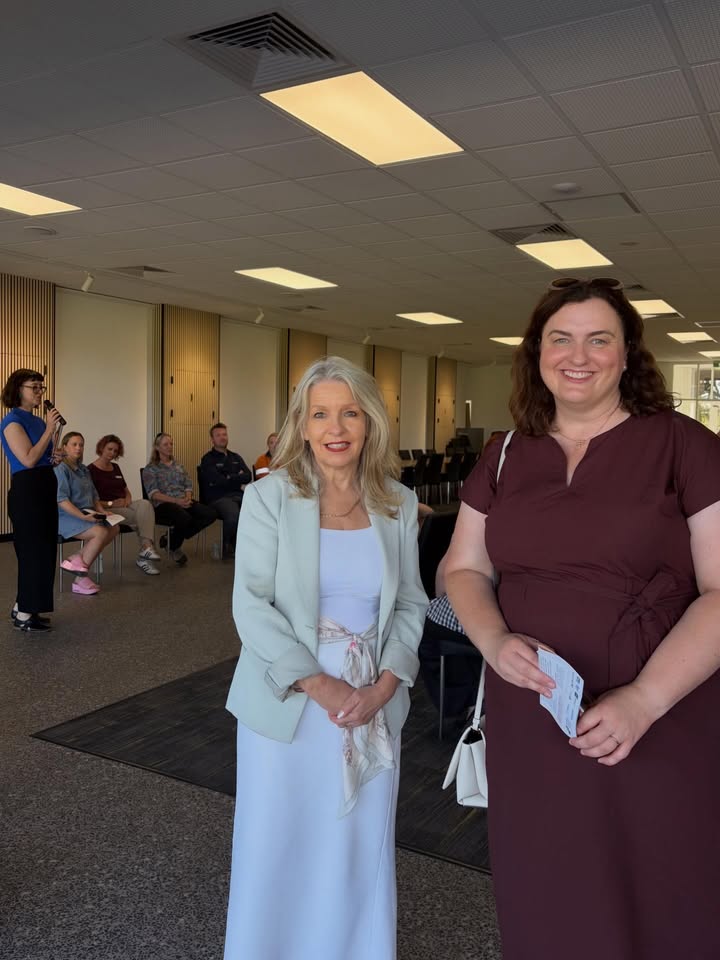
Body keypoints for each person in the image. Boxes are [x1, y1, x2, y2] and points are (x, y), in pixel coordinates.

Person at [444, 276, 720, 960]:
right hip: (531, 715)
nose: (578, 355)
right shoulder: (505, 453)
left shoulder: (684, 445)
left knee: (660, 889)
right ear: (536, 352)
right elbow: (464, 569)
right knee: (547, 886)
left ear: (628, 354)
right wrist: (494, 639)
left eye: (600, 339)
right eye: (560, 339)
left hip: (658, 715)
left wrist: (644, 700)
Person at [223, 356, 427, 960]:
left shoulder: (398, 503)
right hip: (291, 704)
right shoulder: (268, 497)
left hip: (372, 702)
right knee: (278, 843)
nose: (335, 428)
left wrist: (385, 685)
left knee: (356, 844)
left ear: (370, 423)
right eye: (320, 414)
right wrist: (321, 684)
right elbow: (251, 606)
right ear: (302, 425)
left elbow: (411, 603)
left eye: (350, 413)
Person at [1, 369, 63, 632]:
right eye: (34, 387)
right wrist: (50, 429)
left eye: (41, 387)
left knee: (45, 550)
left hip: (45, 485)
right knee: (32, 552)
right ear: (19, 389)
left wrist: (54, 457)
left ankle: (24, 606)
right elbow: (27, 459)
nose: (40, 392)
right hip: (27, 491)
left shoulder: (37, 421)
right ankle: (25, 615)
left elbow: (41, 457)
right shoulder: (12, 421)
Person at [55, 432, 118, 596]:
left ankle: (75, 558)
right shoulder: (61, 469)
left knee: (114, 527)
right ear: (65, 447)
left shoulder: (83, 469)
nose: (78, 448)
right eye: (74, 444)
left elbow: (94, 496)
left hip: (86, 512)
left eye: (81, 445)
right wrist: (82, 516)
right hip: (66, 516)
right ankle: (80, 580)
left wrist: (103, 512)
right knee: (100, 532)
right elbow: (62, 500)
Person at [89, 434, 161, 575]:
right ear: (102, 448)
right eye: (109, 449)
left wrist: (128, 498)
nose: (112, 453)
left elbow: (126, 490)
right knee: (141, 517)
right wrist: (111, 503)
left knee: (145, 504)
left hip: (124, 505)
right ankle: (145, 553)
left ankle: (146, 549)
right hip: (107, 509)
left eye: (115, 451)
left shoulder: (115, 467)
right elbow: (92, 501)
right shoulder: (90, 470)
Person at [142, 433, 217, 565]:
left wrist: (187, 498)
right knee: (184, 518)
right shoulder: (151, 469)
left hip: (182, 501)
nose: (170, 447)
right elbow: (154, 494)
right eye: (166, 444)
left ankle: (172, 537)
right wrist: (177, 501)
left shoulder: (179, 466)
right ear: (157, 447)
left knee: (210, 514)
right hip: (163, 504)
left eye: (171, 444)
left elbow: (188, 484)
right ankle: (174, 547)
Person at [198, 423, 251, 559]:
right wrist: (237, 479)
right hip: (218, 498)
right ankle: (227, 545)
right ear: (212, 439)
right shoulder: (207, 459)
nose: (222, 437)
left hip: (237, 495)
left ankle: (246, 545)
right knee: (233, 514)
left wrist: (229, 477)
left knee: (256, 509)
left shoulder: (235, 457)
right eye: (218, 435)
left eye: (224, 434)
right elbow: (218, 480)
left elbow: (248, 476)